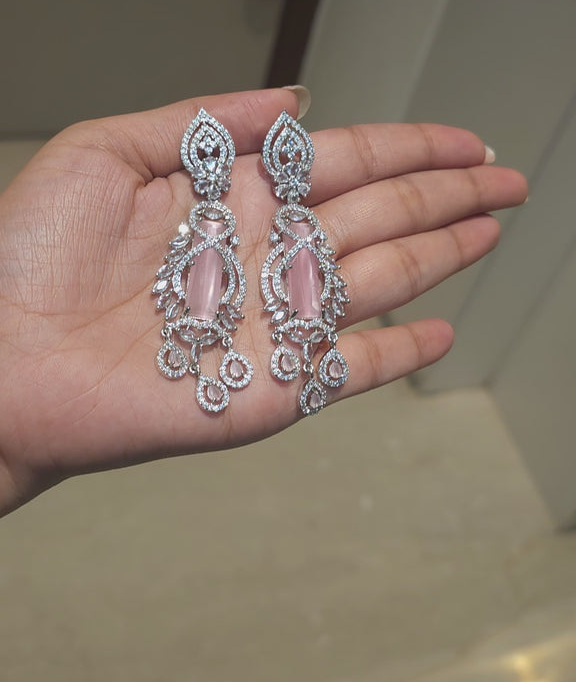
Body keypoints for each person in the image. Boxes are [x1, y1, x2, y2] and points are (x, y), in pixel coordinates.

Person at [0, 86, 527, 517]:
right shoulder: (214, 227)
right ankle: (223, 342)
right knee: (220, 264)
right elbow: (205, 269)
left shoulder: (282, 228)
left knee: (273, 265)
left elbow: (277, 271)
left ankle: (253, 341)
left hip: (274, 299)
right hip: (215, 304)